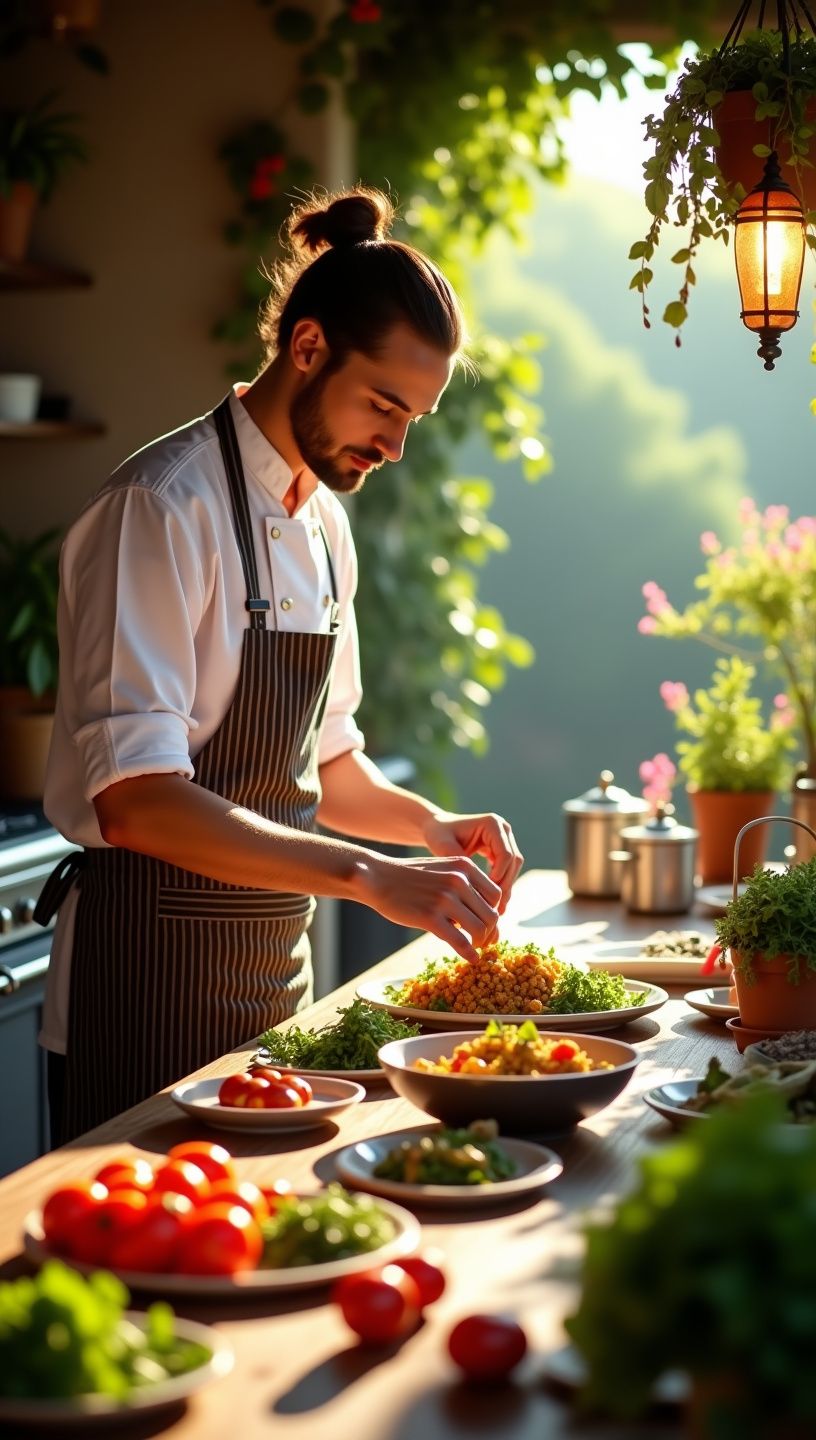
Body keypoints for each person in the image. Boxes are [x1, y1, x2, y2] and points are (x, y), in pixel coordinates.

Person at [36, 185, 523, 1144]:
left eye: (412, 416)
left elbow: (326, 766)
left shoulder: (322, 527)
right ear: (306, 348)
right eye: (383, 403)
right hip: (144, 996)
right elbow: (135, 798)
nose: (394, 442)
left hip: (274, 997)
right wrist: (367, 877)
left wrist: (428, 829)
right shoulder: (161, 508)